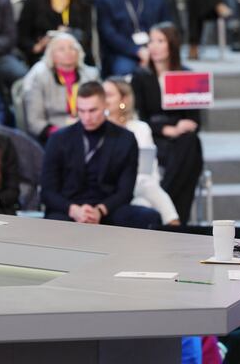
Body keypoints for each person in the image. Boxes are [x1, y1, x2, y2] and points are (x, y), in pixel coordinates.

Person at [40, 80, 161, 229]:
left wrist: (100, 210)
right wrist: (74, 210)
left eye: (92, 110)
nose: (86, 117)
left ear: (105, 106)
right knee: (54, 222)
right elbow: (47, 191)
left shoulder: (126, 139)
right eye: (81, 111)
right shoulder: (59, 139)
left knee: (148, 217)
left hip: (108, 209)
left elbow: (125, 191)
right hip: (68, 209)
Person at [131, 23, 203, 224]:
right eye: (151, 41)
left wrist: (180, 128)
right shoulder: (141, 77)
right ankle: (172, 213)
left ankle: (167, 204)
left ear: (172, 45)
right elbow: (140, 116)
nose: (153, 46)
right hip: (155, 139)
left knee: (191, 143)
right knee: (187, 151)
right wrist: (167, 128)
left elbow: (195, 120)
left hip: (181, 142)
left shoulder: (187, 75)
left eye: (160, 41)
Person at [103, 78, 180, 225]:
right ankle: (174, 223)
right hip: (112, 188)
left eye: (109, 95)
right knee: (145, 193)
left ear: (124, 98)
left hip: (140, 185)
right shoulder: (99, 129)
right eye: (102, 95)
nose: (104, 99)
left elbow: (149, 169)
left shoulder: (140, 128)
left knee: (144, 203)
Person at [22, 32, 100, 143]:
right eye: (61, 49)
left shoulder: (91, 75)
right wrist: (59, 133)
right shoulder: (39, 76)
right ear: (51, 55)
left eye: (72, 48)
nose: (68, 52)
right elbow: (34, 121)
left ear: (79, 52)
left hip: (89, 127)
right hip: (55, 134)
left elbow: (101, 108)